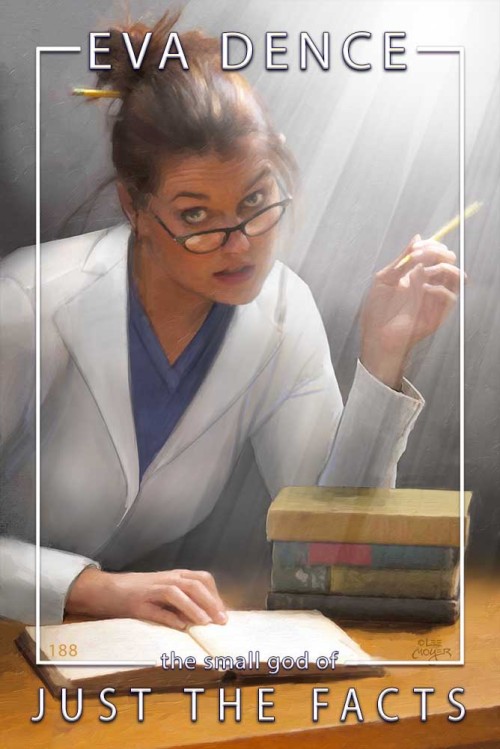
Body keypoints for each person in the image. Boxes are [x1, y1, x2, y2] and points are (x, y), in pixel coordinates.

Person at [0, 10, 462, 629]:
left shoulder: (281, 312)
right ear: (135, 206)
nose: (240, 245)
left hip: (128, 652)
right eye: (196, 217)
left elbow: (332, 536)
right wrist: (91, 589)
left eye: (255, 203)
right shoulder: (28, 302)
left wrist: (383, 356)